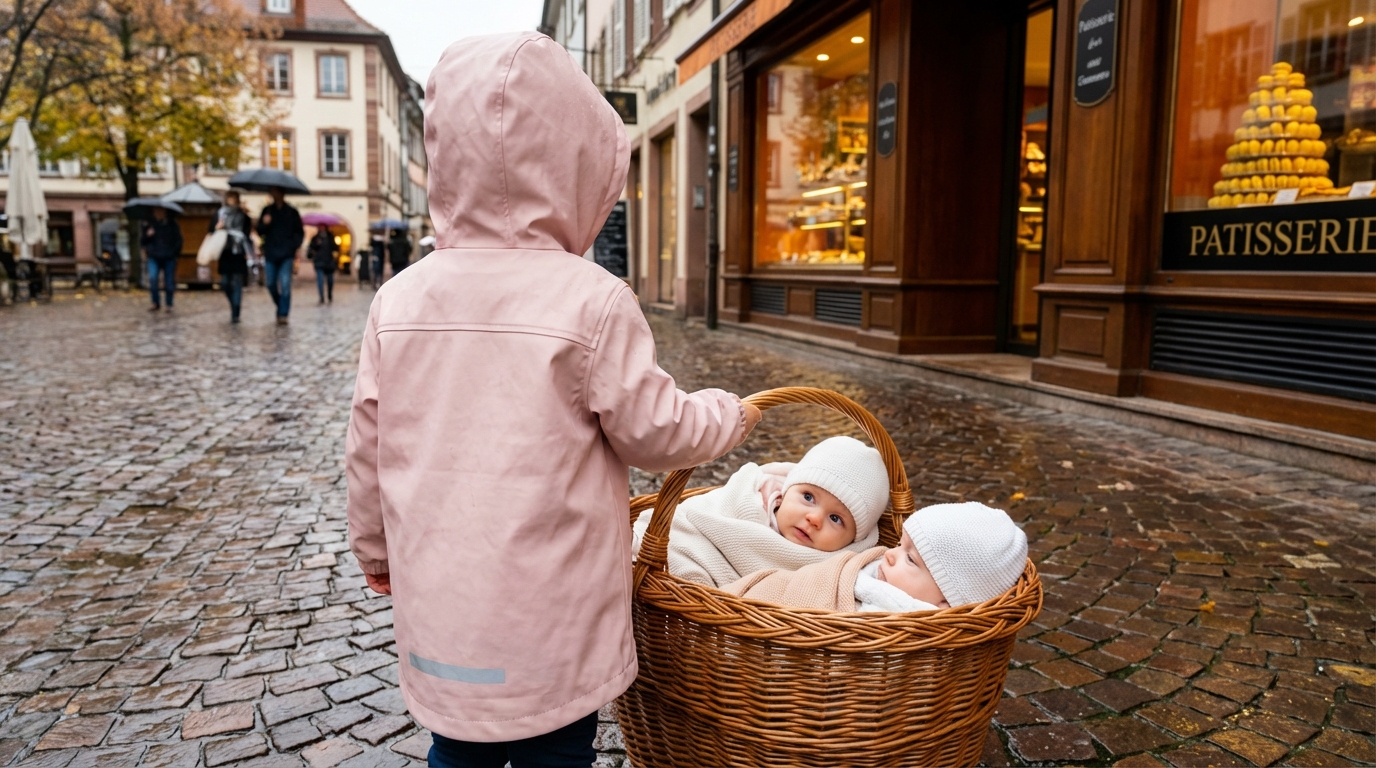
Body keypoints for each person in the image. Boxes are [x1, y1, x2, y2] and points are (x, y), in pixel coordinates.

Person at [345, 31, 763, 768]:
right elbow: (655, 432)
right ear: (578, 165)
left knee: (457, 744)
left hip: (447, 605)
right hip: (554, 610)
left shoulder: (399, 298)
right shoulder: (591, 300)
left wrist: (376, 548)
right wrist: (731, 415)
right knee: (561, 747)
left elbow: (369, 444)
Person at [630, 436, 890, 587]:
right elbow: (695, 519)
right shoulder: (751, 501)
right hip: (680, 559)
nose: (814, 518)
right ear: (786, 490)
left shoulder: (838, 569)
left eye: (836, 519)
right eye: (808, 497)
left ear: (854, 540)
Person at [723, 502, 1029, 613]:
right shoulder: (877, 571)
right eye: (900, 545)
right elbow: (809, 583)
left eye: (912, 560)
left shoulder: (899, 622)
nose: (890, 555)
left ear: (946, 602)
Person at [255, 186, 304, 325]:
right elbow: (260, 231)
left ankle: (283, 314)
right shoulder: (267, 211)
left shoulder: (292, 212)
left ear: (282, 194)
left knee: (285, 284)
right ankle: (280, 305)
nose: (274, 195)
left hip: (286, 254)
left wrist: (293, 246)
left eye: (276, 192)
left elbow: (299, 232)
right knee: (270, 284)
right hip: (270, 252)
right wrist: (264, 224)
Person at [215, 190, 252, 324]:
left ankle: (236, 311)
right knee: (225, 283)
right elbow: (211, 231)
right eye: (229, 198)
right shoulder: (220, 214)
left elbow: (247, 235)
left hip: (238, 252)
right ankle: (233, 304)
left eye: (234, 198)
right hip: (225, 251)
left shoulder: (243, 216)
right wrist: (217, 227)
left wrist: (249, 251)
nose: (231, 200)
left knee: (237, 282)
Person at [141, 207, 182, 312]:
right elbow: (142, 242)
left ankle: (169, 304)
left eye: (160, 211)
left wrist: (174, 253)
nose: (158, 214)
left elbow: (179, 240)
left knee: (168, 282)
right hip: (154, 257)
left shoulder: (172, 225)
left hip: (169, 257)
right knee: (153, 279)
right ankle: (155, 302)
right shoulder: (149, 225)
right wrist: (148, 235)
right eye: (156, 211)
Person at [309, 227, 339, 304]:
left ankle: (329, 295)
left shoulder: (330, 237)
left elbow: (335, 248)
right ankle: (321, 297)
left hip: (329, 262)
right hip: (319, 262)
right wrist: (316, 245)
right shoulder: (315, 238)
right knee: (320, 280)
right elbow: (311, 249)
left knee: (330, 281)